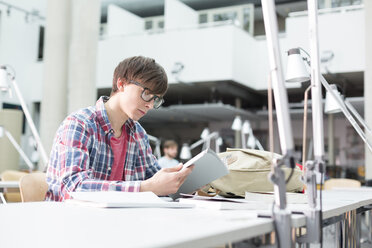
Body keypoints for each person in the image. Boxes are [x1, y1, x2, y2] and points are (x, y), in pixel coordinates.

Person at [45, 56, 193, 201]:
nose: (150, 105)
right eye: (147, 94)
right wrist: (146, 187)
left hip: (117, 220)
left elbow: (155, 180)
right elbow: (74, 188)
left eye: (156, 100)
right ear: (121, 84)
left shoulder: (138, 134)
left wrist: (181, 181)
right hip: (69, 219)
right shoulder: (79, 124)